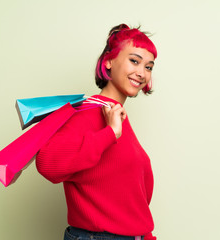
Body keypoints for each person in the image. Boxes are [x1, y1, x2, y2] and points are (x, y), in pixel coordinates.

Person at [36, 23, 158, 240]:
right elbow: (47, 163)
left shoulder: (117, 116)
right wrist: (109, 133)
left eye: (148, 67)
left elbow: (130, 199)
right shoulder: (88, 111)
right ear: (109, 61)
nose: (142, 73)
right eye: (134, 61)